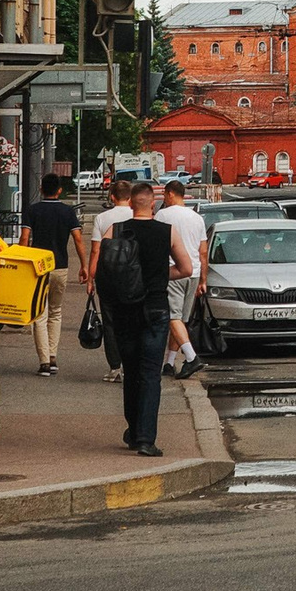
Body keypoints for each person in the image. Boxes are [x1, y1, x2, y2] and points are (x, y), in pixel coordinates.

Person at [97, 182, 193, 455]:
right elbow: (186, 268)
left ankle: (133, 430)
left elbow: (104, 267)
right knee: (151, 374)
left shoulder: (115, 230)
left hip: (125, 309)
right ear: (153, 205)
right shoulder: (167, 231)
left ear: (130, 204)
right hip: (156, 310)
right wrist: (161, 274)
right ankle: (146, 439)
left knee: (131, 372)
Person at [20, 175, 86, 377]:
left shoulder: (32, 210)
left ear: (41, 189)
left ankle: (44, 362)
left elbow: (24, 238)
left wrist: (22, 261)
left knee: (39, 313)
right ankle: (53, 356)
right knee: (56, 311)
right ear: (59, 191)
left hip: (38, 267)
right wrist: (84, 266)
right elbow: (78, 239)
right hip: (60, 266)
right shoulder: (68, 211)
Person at [154, 179, 210, 379]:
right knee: (181, 320)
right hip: (193, 273)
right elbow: (203, 252)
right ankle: (169, 363)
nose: (164, 198)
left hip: (173, 272)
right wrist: (203, 280)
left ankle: (191, 357)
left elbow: (157, 243)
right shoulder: (197, 218)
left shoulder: (162, 215)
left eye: (164, 194)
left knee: (172, 317)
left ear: (170, 193)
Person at [84, 175, 135, 383]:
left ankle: (115, 367)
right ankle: (131, 365)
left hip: (108, 275)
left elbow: (96, 250)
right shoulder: (137, 215)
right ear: (130, 197)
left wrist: (91, 278)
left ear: (112, 196)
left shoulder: (102, 218)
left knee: (110, 322)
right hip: (132, 275)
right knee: (131, 321)